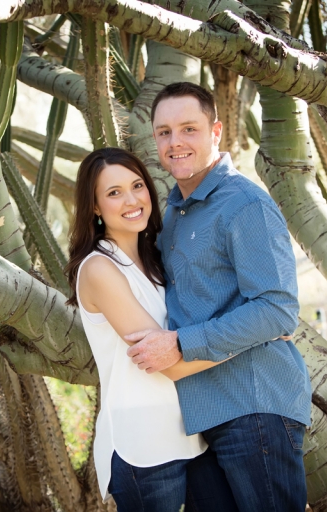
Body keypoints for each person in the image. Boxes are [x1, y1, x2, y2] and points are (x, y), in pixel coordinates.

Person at [124, 82, 312, 511]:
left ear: (216, 132)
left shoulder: (243, 203)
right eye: (164, 132)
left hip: (254, 406)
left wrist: (179, 344)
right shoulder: (172, 213)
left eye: (188, 129)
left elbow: (277, 308)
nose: (175, 143)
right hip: (203, 416)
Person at [66, 147, 225, 511]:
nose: (132, 200)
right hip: (142, 448)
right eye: (113, 192)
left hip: (192, 435)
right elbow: (168, 362)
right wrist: (250, 337)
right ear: (94, 207)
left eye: (137, 185)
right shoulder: (99, 269)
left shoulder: (156, 257)